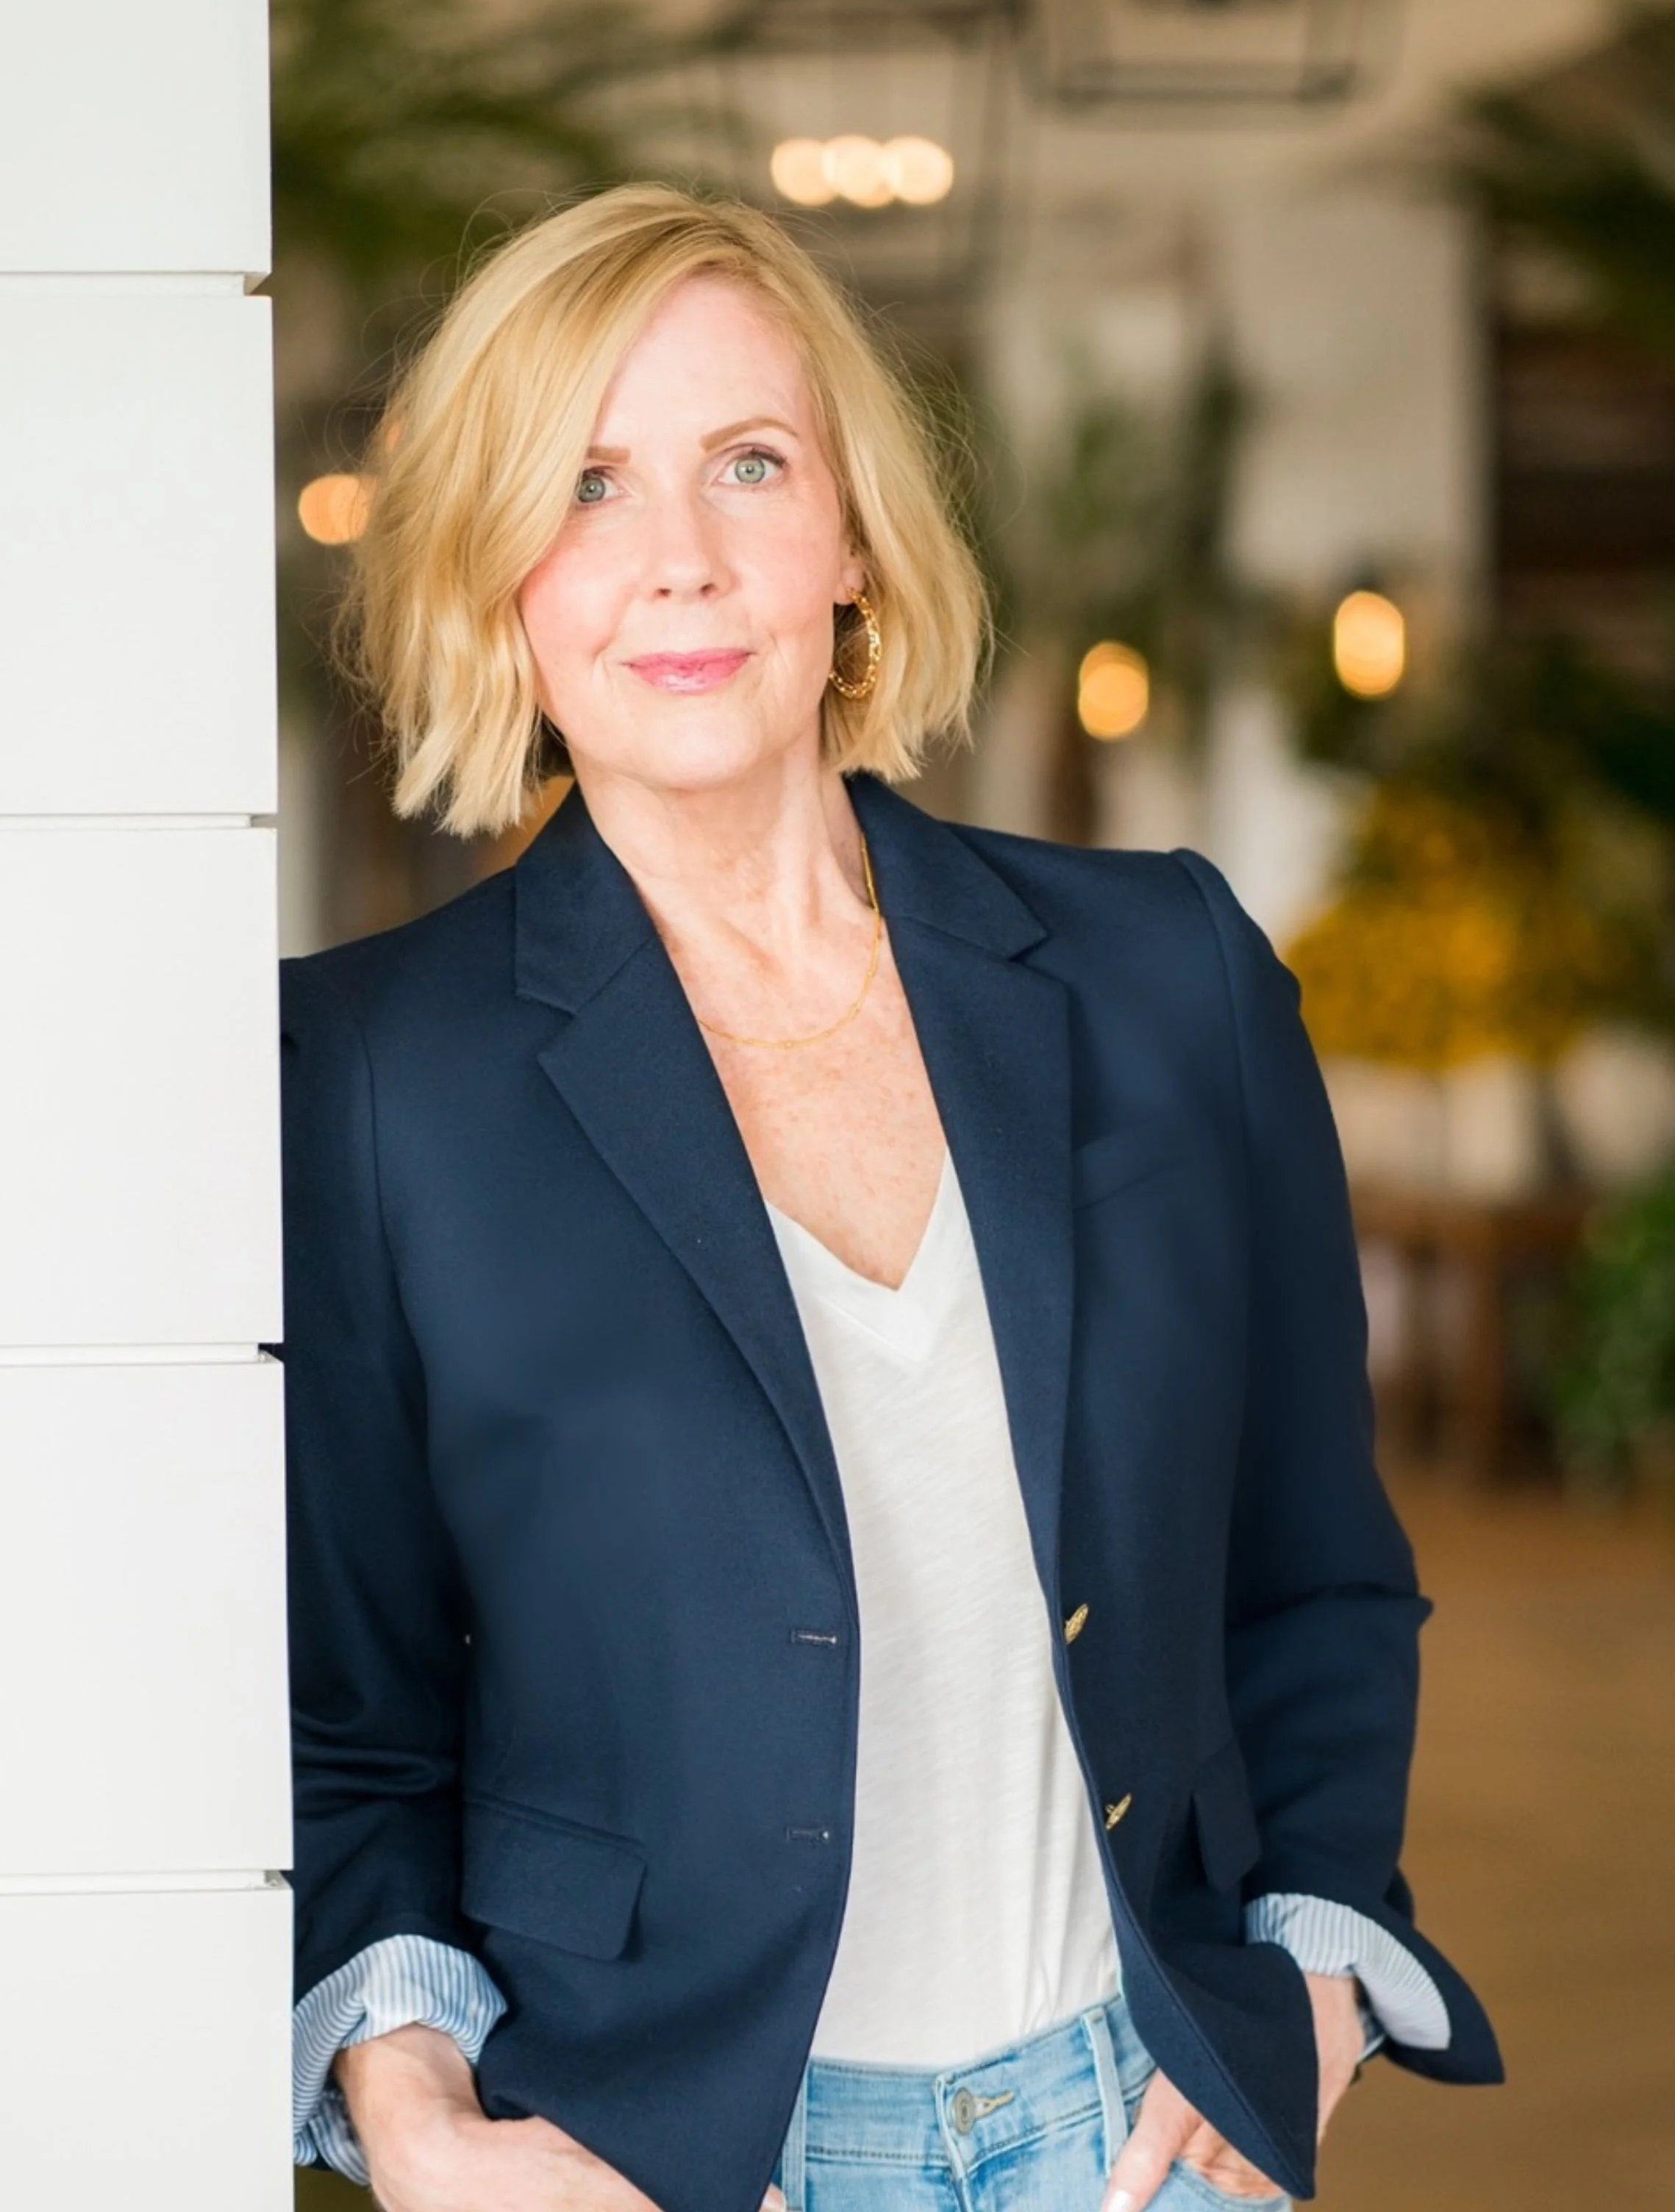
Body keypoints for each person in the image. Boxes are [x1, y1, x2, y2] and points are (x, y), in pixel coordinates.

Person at [282, 184, 1500, 2212]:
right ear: (496, 575)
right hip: (657, 2152)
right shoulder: (376, 1079)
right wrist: (416, 2125)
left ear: (849, 539)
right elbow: (353, 1717)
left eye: (747, 466)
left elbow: (1314, 1576)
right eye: (583, 486)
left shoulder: (1165, 978)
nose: (676, 561)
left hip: (1144, 2130)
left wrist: (1314, 1978)